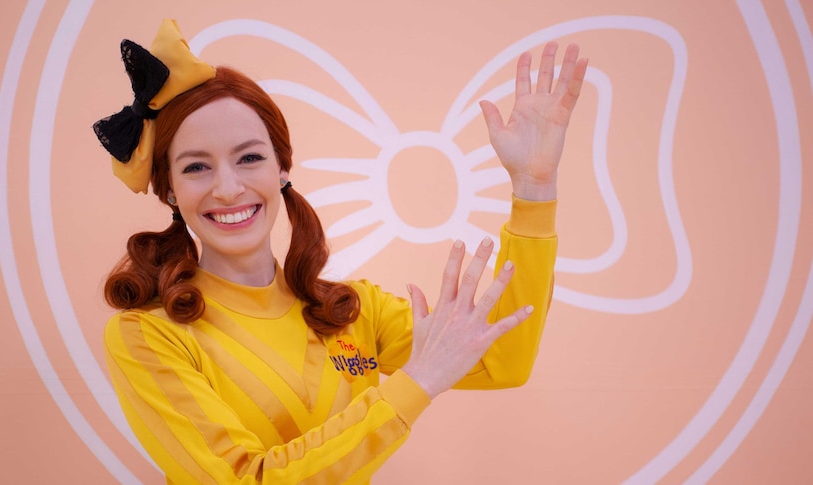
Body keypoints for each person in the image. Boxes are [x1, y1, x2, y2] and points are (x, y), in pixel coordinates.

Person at [96, 19, 587, 484]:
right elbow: (244, 478)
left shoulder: (353, 312)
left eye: (249, 158)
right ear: (169, 192)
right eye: (196, 167)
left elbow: (503, 360)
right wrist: (413, 385)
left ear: (282, 168)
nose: (228, 188)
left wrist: (534, 190)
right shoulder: (147, 335)